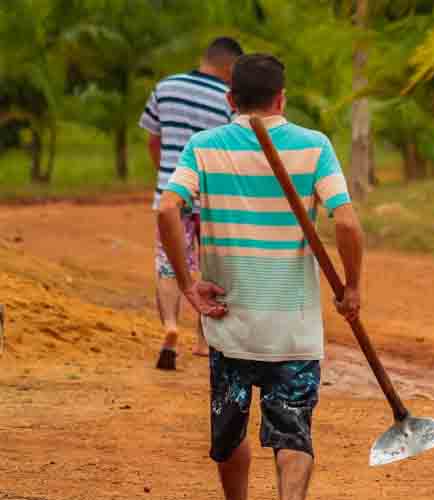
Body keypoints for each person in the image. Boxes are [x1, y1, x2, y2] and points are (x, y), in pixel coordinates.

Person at [158, 53, 363, 500]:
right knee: (292, 433)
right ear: (281, 98)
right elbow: (346, 223)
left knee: (230, 434)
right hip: (294, 326)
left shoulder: (204, 146)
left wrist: (188, 282)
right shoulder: (315, 146)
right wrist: (352, 286)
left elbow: (167, 207)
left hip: (229, 321)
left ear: (230, 99)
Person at [139, 37, 243, 370]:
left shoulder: (165, 87)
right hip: (212, 198)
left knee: (169, 264)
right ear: (229, 67)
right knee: (213, 266)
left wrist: (168, 176)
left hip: (172, 192)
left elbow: (153, 141)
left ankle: (170, 326)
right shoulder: (228, 100)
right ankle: (204, 339)